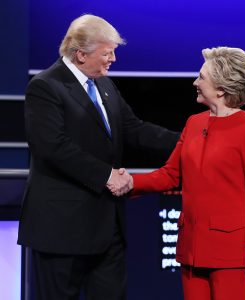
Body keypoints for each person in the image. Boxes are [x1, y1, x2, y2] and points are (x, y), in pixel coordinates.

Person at [17, 14, 179, 300]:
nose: (113, 59)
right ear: (80, 54)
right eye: (107, 53)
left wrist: (190, 141)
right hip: (61, 230)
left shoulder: (104, 85)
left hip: (108, 229)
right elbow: (53, 147)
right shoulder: (45, 87)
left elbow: (134, 129)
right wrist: (107, 175)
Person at [114, 47, 245, 299]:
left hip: (231, 251)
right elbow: (170, 175)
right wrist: (130, 182)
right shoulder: (194, 123)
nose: (195, 82)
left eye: (202, 77)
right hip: (192, 246)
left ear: (220, 88)